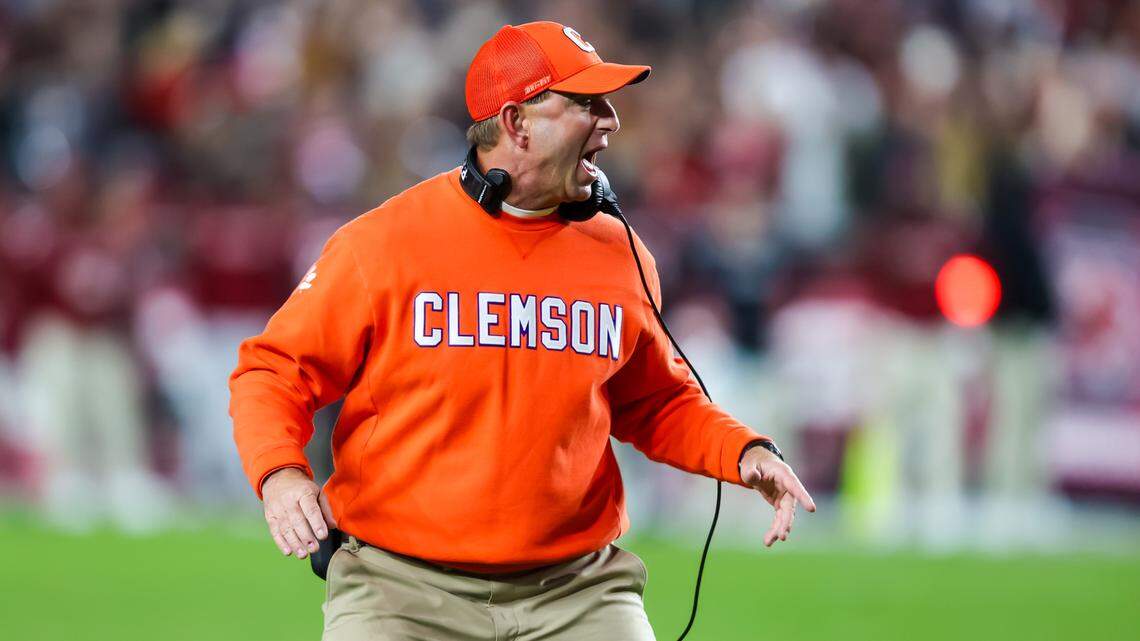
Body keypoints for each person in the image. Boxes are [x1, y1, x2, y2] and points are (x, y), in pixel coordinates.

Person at [230, 21, 815, 640]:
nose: (611, 121)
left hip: (576, 588)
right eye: (587, 104)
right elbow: (272, 371)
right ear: (516, 123)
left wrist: (745, 452)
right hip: (398, 587)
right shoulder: (382, 244)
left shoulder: (620, 253)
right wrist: (281, 473)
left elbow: (654, 401)